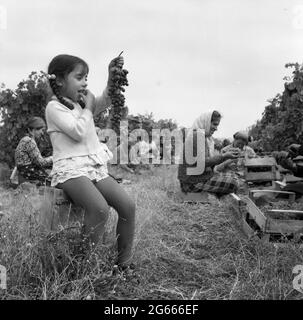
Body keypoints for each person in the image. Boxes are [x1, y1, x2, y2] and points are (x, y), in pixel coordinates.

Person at [45, 54, 136, 273]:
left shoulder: (80, 104)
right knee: (99, 209)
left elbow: (104, 100)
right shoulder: (54, 108)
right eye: (79, 77)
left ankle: (123, 264)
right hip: (70, 170)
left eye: (87, 77)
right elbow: (77, 132)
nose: (85, 82)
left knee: (127, 207)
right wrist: (88, 109)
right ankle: (83, 269)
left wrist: (110, 78)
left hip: (92, 167)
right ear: (59, 80)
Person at [177, 111, 240, 196]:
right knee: (234, 183)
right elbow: (202, 163)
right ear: (206, 122)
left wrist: (225, 157)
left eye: (217, 125)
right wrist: (224, 156)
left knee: (231, 175)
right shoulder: (197, 136)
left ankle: (215, 193)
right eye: (214, 124)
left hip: (196, 179)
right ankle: (215, 194)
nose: (216, 128)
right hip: (192, 183)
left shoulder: (202, 137)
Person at [14, 116, 53, 186]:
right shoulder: (29, 141)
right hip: (28, 172)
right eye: (41, 130)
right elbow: (41, 162)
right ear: (32, 130)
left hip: (24, 171)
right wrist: (53, 158)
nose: (42, 133)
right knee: (54, 181)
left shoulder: (24, 139)